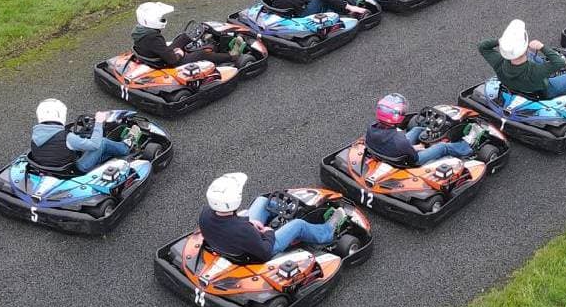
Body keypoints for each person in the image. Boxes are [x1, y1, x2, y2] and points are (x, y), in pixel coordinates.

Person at [198, 172, 349, 260]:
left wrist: (250, 222)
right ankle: (327, 232)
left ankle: (294, 208)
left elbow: (231, 224)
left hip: (228, 239)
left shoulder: (204, 214)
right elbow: (264, 251)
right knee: (298, 224)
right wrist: (268, 233)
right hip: (257, 252)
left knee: (262, 201)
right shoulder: (243, 230)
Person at [476, 19, 566, 100]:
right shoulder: (535, 70)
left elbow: (482, 46)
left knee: (532, 56)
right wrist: (542, 47)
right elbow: (559, 63)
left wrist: (504, 41)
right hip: (546, 91)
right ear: (524, 47)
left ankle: (552, 71)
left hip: (515, 87)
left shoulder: (499, 62)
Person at [364, 93, 475, 167]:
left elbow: (400, 144)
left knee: (417, 129)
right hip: (409, 162)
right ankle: (468, 147)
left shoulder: (372, 127)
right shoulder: (400, 141)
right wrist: (420, 147)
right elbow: (414, 157)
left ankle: (431, 133)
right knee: (442, 147)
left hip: (389, 151)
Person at [26, 98, 133, 174]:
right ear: (59, 114)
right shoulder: (68, 137)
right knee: (103, 142)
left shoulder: (35, 135)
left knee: (88, 147)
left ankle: (107, 156)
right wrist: (99, 122)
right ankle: (126, 147)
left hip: (47, 168)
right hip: (74, 170)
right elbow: (95, 145)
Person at [131, 2, 238, 67]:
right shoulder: (153, 38)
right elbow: (172, 60)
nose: (163, 20)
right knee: (202, 54)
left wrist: (180, 44)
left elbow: (160, 48)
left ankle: (198, 34)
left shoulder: (139, 31)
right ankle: (231, 56)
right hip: (164, 63)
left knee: (183, 38)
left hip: (154, 55)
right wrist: (179, 54)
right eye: (161, 18)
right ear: (152, 20)